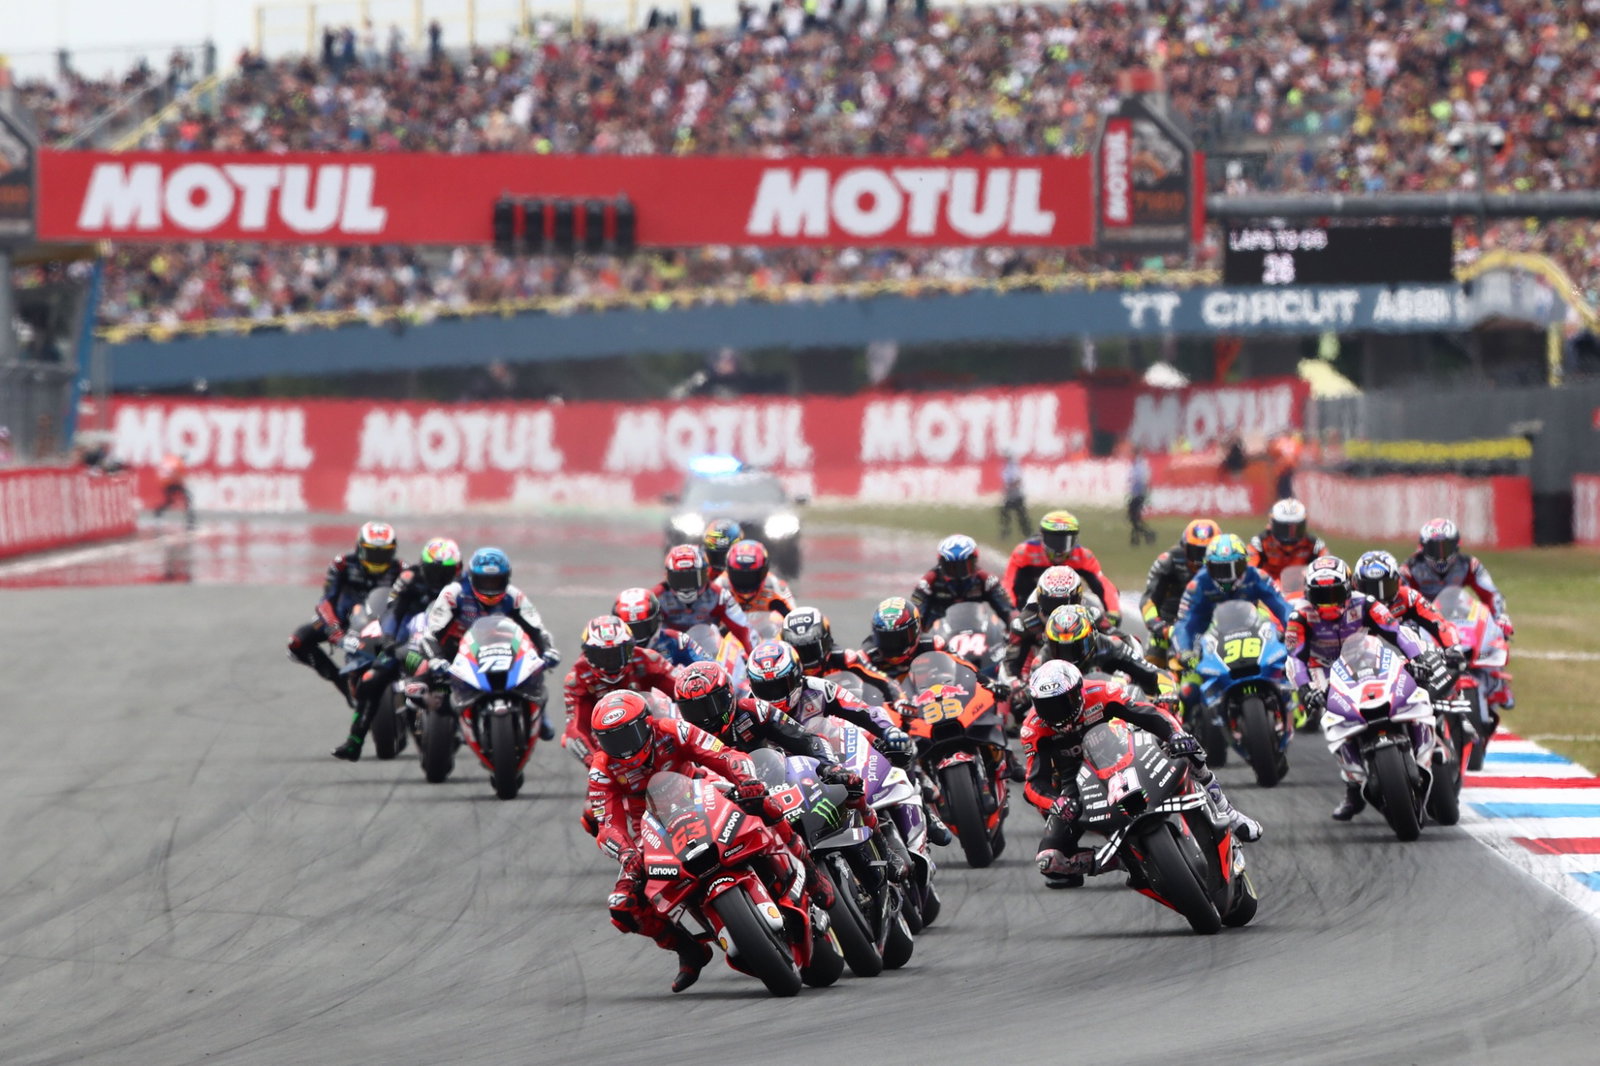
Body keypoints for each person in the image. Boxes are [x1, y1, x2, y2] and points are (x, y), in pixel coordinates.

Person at [586, 690, 834, 993]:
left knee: (765, 804)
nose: (623, 748)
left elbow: (722, 754)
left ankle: (810, 875)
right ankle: (689, 950)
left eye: (629, 735)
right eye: (612, 741)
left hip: (702, 793)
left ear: (646, 722)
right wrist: (626, 853)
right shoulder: (602, 768)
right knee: (624, 905)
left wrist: (747, 782)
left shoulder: (671, 729)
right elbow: (607, 823)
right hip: (650, 827)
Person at [1023, 661, 1261, 889]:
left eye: (1062, 703)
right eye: (1047, 707)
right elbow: (1034, 784)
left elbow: (1149, 714)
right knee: (1049, 860)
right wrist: (1057, 803)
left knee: (1188, 747)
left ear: (1077, 693)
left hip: (1126, 748)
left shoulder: (1101, 691)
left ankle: (1226, 810)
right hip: (1076, 779)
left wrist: (1174, 736)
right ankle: (1121, 860)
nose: (1056, 714)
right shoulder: (1033, 727)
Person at [1284, 556, 1449, 821]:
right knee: (1332, 718)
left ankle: (1427, 741)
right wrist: (1306, 689)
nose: (1328, 602)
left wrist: (1418, 658)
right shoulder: (1299, 616)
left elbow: (1397, 633)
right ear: (1308, 594)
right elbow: (1295, 658)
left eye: (1334, 593)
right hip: (1323, 668)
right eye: (1320, 595)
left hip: (1365, 657)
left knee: (1411, 686)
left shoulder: (1366, 603)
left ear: (1348, 589)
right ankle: (1353, 786)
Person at [334, 537, 463, 760]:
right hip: (411, 642)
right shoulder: (409, 578)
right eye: (434, 571)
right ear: (424, 566)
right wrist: (389, 639)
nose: (440, 578)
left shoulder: (467, 585)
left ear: (458, 569)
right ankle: (355, 740)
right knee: (371, 679)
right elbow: (393, 610)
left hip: (451, 642)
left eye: (447, 572)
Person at [407, 546, 562, 710]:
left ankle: (537, 712)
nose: (490, 587)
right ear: (472, 578)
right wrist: (436, 658)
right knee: (424, 676)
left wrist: (548, 650)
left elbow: (536, 629)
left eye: (496, 581)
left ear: (506, 579)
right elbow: (431, 634)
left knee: (533, 676)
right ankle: (420, 685)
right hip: (456, 653)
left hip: (502, 651)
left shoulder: (514, 596)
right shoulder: (454, 593)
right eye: (484, 581)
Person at [1172, 534, 1292, 716]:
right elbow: (1184, 623)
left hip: (1251, 629)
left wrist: (1293, 629)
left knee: (1288, 661)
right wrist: (1185, 651)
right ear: (1208, 566)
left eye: (1234, 567)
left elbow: (1282, 605)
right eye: (1219, 569)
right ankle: (1188, 728)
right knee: (1188, 691)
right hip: (1207, 635)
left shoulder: (1257, 576)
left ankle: (1293, 705)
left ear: (1245, 563)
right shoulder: (1197, 585)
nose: (1227, 576)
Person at [290, 521, 403, 705]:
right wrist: (334, 629)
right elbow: (325, 601)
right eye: (372, 553)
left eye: (384, 554)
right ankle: (340, 681)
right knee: (297, 642)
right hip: (344, 621)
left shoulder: (401, 569)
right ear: (360, 549)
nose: (378, 560)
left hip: (384, 623)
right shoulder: (342, 564)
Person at [745, 640, 914, 756]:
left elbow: (862, 710)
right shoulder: (747, 711)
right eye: (764, 688)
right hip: (790, 782)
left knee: (894, 759)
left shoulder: (819, 688)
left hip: (837, 760)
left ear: (796, 676)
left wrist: (888, 730)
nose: (773, 695)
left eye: (778, 685)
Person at [562, 615, 680, 766]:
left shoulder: (647, 658)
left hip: (651, 730)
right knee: (571, 742)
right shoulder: (576, 677)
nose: (611, 662)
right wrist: (594, 763)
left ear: (631, 649)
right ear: (587, 655)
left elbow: (680, 689)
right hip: (608, 745)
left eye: (618, 653)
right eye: (602, 656)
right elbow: (575, 730)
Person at [1400, 518, 1514, 638]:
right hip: (1422, 621)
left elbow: (1491, 594)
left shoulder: (1469, 565)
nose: (1441, 556)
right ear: (1423, 549)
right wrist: (1408, 623)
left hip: (1457, 618)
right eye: (1434, 549)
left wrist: (1499, 617)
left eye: (1446, 548)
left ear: (1456, 546)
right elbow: (1400, 599)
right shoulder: (1410, 569)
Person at [1353, 551, 1470, 666]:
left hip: (1408, 663)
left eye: (1386, 588)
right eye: (1371, 589)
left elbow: (1440, 624)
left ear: (1397, 581)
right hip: (1362, 665)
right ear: (1356, 585)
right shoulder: (1350, 606)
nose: (1379, 598)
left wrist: (1453, 648)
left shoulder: (1408, 597)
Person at [1002, 511, 1121, 622]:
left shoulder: (1083, 555)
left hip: (1071, 613)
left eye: (1066, 541)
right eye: (1053, 540)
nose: (1059, 549)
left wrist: (1113, 612)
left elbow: (1104, 585)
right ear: (1042, 537)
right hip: (1029, 610)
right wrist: (1011, 611)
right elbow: (1008, 584)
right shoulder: (1024, 552)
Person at [1004, 566, 1112, 683]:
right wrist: (1017, 686)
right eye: (1052, 603)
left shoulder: (1091, 615)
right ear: (1040, 599)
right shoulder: (1024, 624)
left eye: (1066, 603)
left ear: (1079, 599)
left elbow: (1117, 640)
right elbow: (1009, 667)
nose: (1060, 612)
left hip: (1090, 675)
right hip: (1041, 681)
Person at [782, 606, 907, 708]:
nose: (806, 658)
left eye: (811, 650)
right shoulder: (782, 668)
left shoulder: (845, 658)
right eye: (799, 652)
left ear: (827, 642)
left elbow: (882, 679)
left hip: (840, 720)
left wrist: (899, 700)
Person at [1034, 604, 1165, 697]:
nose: (1068, 656)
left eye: (1075, 647)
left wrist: (1168, 693)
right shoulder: (1042, 662)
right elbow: (1032, 699)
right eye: (1060, 648)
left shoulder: (1112, 645)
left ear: (1091, 637)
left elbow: (1155, 673)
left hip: (1115, 709)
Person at [1139, 519, 1220, 661]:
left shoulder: (1226, 567)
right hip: (1169, 625)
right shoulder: (1168, 561)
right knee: (1151, 663)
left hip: (1211, 627)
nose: (1200, 560)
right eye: (1195, 552)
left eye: (1206, 552)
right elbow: (1148, 600)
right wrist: (1158, 625)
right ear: (1184, 547)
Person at [652, 544, 755, 651]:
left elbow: (744, 630)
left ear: (706, 574)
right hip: (668, 654)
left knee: (702, 630)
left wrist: (751, 657)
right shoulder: (656, 598)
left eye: (692, 578)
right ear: (667, 577)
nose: (687, 586)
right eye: (679, 579)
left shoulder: (720, 596)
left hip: (709, 654)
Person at [911, 534, 1016, 630]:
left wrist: (1012, 629)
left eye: (962, 567)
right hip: (939, 635)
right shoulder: (928, 582)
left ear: (974, 562)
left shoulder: (987, 580)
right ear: (941, 564)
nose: (958, 575)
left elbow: (1009, 611)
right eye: (952, 568)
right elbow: (915, 615)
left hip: (977, 631)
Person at [613, 587, 712, 668]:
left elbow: (709, 665)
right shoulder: (609, 649)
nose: (636, 635)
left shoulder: (677, 640)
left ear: (657, 619)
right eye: (630, 630)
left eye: (642, 627)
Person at [1247, 498, 1327, 583]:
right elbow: (1249, 571)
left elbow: (1327, 569)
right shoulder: (1259, 544)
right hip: (1268, 591)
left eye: (1296, 529)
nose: (1289, 536)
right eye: (1283, 529)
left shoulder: (1315, 546)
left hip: (1302, 592)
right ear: (1272, 525)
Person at [714, 539, 796, 618]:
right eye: (739, 576)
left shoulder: (775, 585)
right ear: (728, 571)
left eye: (751, 576)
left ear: (764, 572)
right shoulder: (720, 585)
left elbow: (794, 618)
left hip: (767, 628)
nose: (745, 582)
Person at [153, 452, 196, 530]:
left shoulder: (170, 460)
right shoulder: (179, 463)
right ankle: (190, 518)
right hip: (173, 482)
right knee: (188, 498)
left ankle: (158, 512)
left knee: (169, 501)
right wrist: (183, 486)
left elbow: (162, 471)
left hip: (165, 484)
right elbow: (177, 475)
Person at [1126, 447, 1156, 546]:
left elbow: (1142, 481)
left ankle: (1144, 535)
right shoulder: (1135, 465)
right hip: (1135, 494)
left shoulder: (1140, 465)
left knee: (1134, 517)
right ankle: (1137, 538)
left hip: (1139, 495)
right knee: (1134, 518)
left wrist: (1142, 494)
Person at [998, 450, 1029, 539]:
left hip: (1016, 495)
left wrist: (1010, 486)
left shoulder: (1014, 467)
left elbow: (1018, 480)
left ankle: (1025, 532)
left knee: (1020, 515)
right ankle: (1007, 532)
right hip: (1011, 495)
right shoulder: (1006, 467)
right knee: (1007, 513)